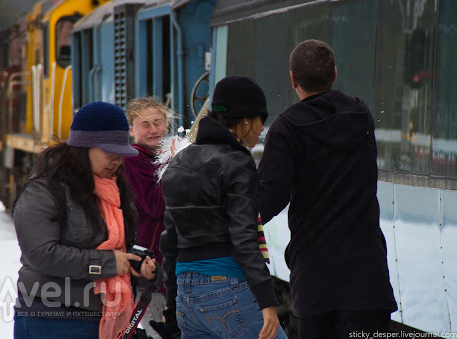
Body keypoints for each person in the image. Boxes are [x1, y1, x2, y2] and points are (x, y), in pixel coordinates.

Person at [257, 39, 398, 339]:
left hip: (316, 280)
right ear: (334, 74)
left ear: (292, 80)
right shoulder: (360, 115)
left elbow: (268, 199)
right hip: (367, 276)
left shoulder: (286, 129)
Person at [12, 101, 159, 339]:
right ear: (83, 148)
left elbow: (113, 247)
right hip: (51, 319)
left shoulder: (115, 188)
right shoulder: (45, 188)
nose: (117, 161)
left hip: (103, 318)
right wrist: (109, 263)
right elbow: (41, 253)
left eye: (121, 154)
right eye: (109, 153)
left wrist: (136, 265)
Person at [160, 76, 288, 339]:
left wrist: (172, 304)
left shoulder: (178, 163)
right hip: (226, 287)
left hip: (187, 294)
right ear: (245, 120)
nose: (262, 129)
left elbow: (170, 242)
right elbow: (244, 238)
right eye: (261, 120)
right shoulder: (238, 163)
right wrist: (267, 301)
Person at [123, 97, 177, 338]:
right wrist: (176, 165)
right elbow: (155, 205)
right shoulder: (133, 158)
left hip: (167, 265)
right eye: (146, 124)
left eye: (159, 122)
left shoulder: (161, 156)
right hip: (150, 267)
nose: (155, 130)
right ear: (131, 129)